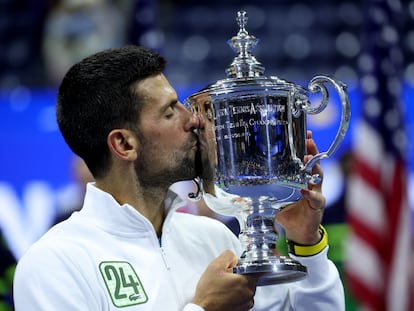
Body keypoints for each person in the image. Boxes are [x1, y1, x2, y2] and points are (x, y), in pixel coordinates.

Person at [13, 45, 344, 310]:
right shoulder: (54, 263)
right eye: (171, 111)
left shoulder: (216, 239)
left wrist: (306, 242)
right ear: (124, 144)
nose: (195, 121)